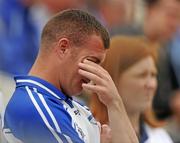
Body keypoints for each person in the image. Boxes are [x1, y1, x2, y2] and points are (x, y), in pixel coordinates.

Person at [2, 9, 138, 143]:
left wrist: (115, 103)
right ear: (63, 48)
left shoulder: (76, 106)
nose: (94, 73)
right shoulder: (34, 107)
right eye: (92, 61)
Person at [90, 36, 173, 143]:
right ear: (113, 79)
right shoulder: (88, 133)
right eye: (141, 75)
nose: (151, 84)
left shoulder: (160, 136)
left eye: (153, 75)